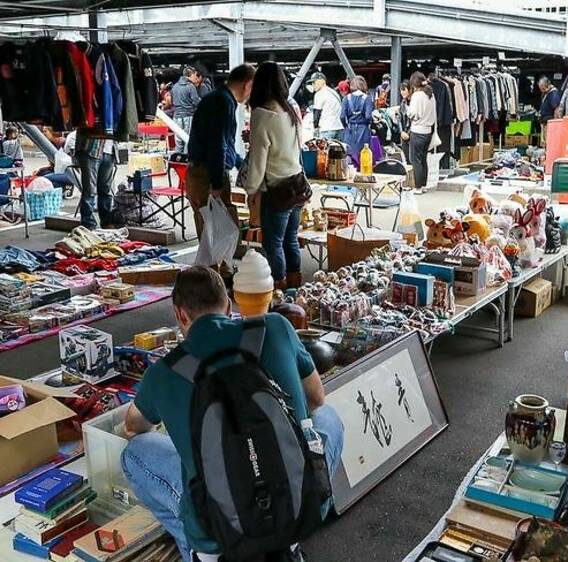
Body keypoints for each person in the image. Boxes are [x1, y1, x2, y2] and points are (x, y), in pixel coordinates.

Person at [121, 265, 344, 562]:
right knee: (329, 419)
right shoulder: (276, 327)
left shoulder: (163, 372)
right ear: (228, 304)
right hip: (295, 505)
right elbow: (316, 398)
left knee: (134, 453)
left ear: (180, 315)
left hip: (218, 527)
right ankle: (284, 537)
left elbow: (133, 427)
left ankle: (198, 549)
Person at [243, 62, 305, 290]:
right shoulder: (289, 110)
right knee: (290, 239)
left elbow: (258, 160)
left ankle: (278, 293)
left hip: (277, 189)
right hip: (297, 185)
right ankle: (295, 290)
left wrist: (251, 190)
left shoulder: (262, 114)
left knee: (274, 243)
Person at [186, 63, 255, 244]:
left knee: (216, 229)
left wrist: (240, 162)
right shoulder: (223, 102)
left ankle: (217, 269)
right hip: (207, 174)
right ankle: (213, 271)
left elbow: (224, 144)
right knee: (214, 232)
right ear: (247, 85)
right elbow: (218, 144)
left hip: (203, 170)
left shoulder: (219, 98)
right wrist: (217, 183)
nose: (250, 95)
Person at [74, 130, 117, 229]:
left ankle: (106, 222)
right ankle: (88, 224)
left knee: (106, 190)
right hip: (91, 150)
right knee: (90, 190)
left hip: (109, 150)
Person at [407, 71, 437, 193]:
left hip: (417, 131)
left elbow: (414, 114)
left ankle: (418, 186)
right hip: (428, 131)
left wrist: (408, 112)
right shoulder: (430, 94)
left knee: (415, 160)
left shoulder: (417, 96)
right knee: (423, 159)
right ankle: (423, 185)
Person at [341, 75, 374, 169]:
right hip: (363, 129)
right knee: (363, 155)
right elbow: (368, 116)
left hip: (350, 129)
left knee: (348, 154)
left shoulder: (346, 98)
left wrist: (346, 126)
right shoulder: (367, 98)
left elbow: (342, 116)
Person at [171, 67, 202, 154]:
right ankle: (186, 163)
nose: (196, 77)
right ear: (189, 75)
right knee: (188, 141)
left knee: (178, 143)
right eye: (194, 75)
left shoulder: (175, 86)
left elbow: (173, 101)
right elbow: (196, 102)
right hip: (188, 116)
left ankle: (177, 162)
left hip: (176, 117)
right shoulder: (190, 86)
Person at [310, 71, 344, 140]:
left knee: (324, 150)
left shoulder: (319, 94)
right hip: (339, 128)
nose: (313, 85)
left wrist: (315, 128)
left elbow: (317, 113)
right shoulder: (333, 92)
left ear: (322, 81)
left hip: (327, 128)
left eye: (314, 82)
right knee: (339, 150)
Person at [538, 76, 561, 144]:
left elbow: (556, 108)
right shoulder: (546, 93)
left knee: (548, 141)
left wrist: (555, 122)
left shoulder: (554, 93)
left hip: (549, 122)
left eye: (542, 89)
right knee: (545, 141)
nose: (541, 90)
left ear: (547, 86)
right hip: (545, 121)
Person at [399, 80, 412, 163]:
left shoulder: (414, 102)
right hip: (404, 133)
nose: (402, 92)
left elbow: (415, 120)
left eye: (404, 90)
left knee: (413, 159)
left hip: (412, 133)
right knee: (406, 158)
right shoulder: (403, 103)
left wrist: (409, 133)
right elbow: (399, 118)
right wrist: (401, 132)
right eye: (401, 90)